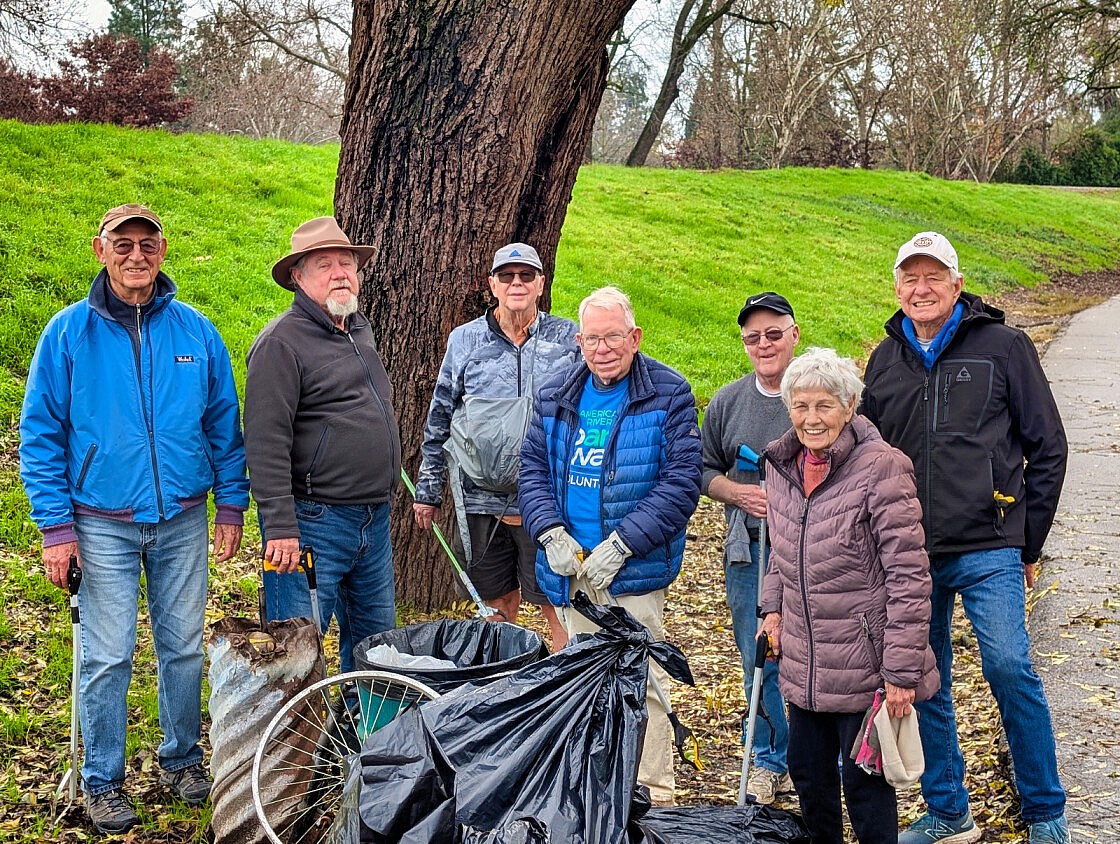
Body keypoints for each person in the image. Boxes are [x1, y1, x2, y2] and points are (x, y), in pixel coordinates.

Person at [19, 204, 249, 834]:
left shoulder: (196, 333)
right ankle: (102, 780)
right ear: (100, 250)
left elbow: (223, 426)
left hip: (181, 518)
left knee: (182, 651)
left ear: (163, 250)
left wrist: (231, 503)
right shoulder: (68, 334)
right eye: (123, 244)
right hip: (100, 523)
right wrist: (57, 530)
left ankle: (180, 761)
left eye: (148, 244)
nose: (136, 255)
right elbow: (40, 435)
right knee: (107, 655)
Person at [861, 232, 1070, 844]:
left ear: (957, 284)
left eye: (934, 278)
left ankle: (1045, 813)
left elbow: (1047, 447)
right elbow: (867, 454)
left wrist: (1029, 543)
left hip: (989, 545)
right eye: (909, 278)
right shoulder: (885, 358)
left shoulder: (1005, 347)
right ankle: (949, 812)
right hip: (908, 552)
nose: (920, 290)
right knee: (924, 682)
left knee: (1010, 667)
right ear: (896, 287)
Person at [518, 285, 702, 806]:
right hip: (572, 566)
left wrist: (622, 544)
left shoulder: (668, 392)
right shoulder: (557, 392)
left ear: (635, 337)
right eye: (593, 338)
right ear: (579, 341)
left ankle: (654, 794)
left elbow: (682, 481)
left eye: (614, 337)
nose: (603, 348)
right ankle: (594, 792)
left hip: (631, 569)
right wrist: (549, 531)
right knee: (583, 679)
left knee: (641, 680)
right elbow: (532, 468)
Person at [758, 347, 939, 844]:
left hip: (865, 662)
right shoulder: (782, 463)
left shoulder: (882, 467)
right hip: (806, 660)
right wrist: (771, 610)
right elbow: (780, 547)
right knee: (809, 779)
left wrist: (901, 672)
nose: (811, 419)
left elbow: (909, 575)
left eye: (824, 406)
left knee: (865, 787)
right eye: (800, 406)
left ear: (849, 406)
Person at [244, 216, 401, 673]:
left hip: (374, 520)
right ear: (298, 277)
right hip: (313, 524)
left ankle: (368, 741)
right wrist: (280, 527)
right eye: (324, 264)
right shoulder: (281, 343)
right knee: (296, 654)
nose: (340, 273)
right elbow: (265, 440)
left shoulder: (357, 330)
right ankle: (293, 745)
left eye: (347, 263)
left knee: (378, 649)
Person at [412, 243, 579, 648]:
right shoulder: (465, 340)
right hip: (479, 503)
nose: (516, 283)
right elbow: (440, 418)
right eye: (507, 276)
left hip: (548, 502)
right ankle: (502, 689)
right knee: (496, 605)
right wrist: (427, 491)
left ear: (541, 283)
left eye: (526, 275)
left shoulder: (568, 339)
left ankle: (563, 695)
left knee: (558, 605)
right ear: (492, 284)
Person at [700, 291, 798, 805]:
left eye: (773, 334)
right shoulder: (728, 401)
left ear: (794, 335)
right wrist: (736, 492)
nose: (763, 345)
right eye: (753, 337)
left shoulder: (814, 391)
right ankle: (765, 757)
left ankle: (810, 757)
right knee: (758, 653)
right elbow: (701, 469)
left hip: (813, 551)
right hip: (749, 550)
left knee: (815, 653)